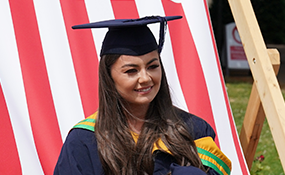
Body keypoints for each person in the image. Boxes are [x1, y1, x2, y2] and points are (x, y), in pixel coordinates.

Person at [54, 16, 231, 175]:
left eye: (153, 66)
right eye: (131, 71)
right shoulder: (84, 141)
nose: (145, 78)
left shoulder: (192, 129)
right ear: (109, 77)